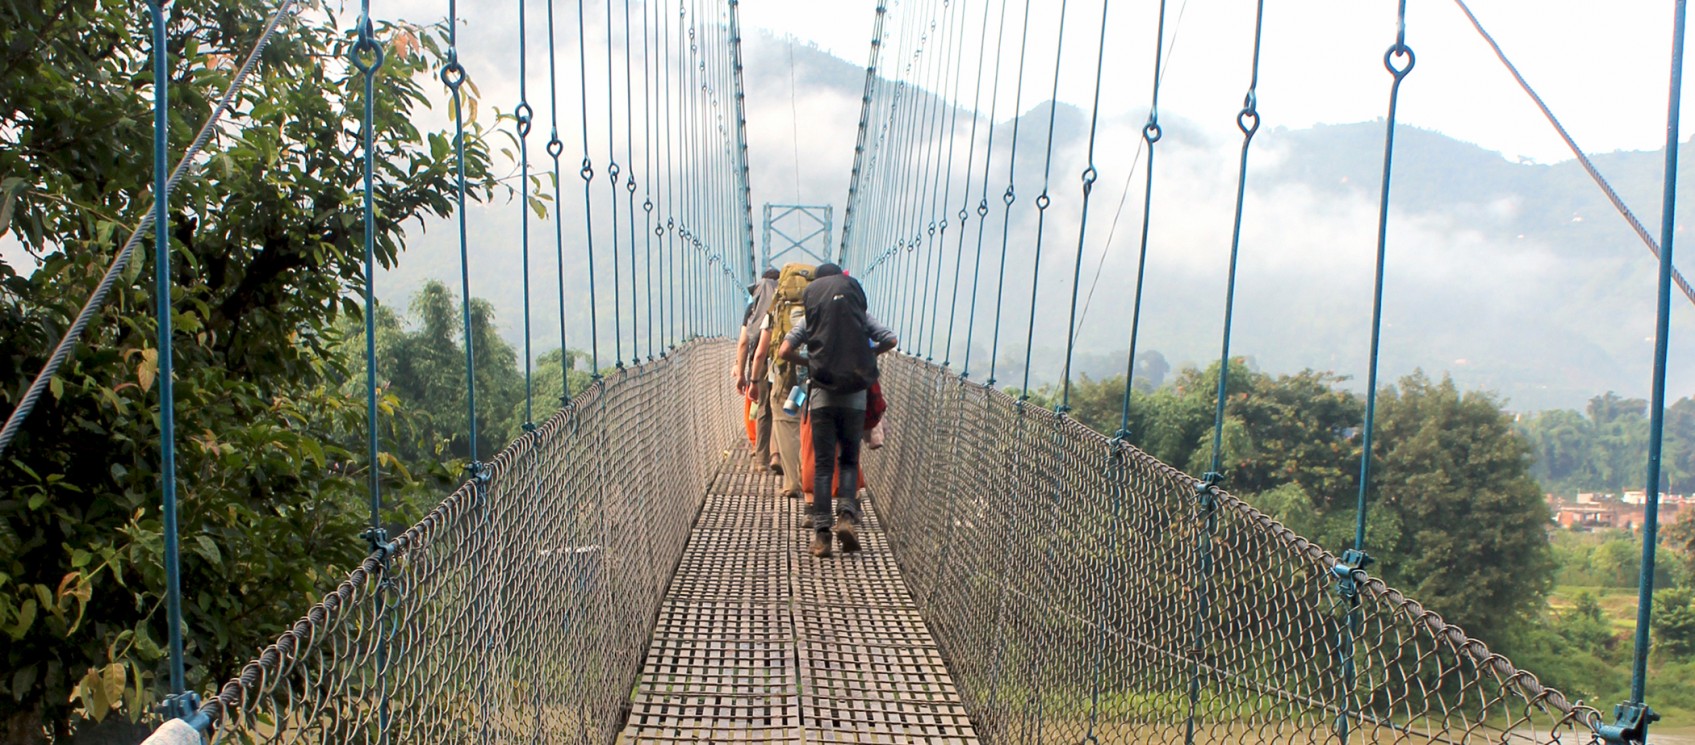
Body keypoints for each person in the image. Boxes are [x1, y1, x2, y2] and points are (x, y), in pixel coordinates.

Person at [778, 263, 897, 558]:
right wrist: (866, 356)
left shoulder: (812, 316)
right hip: (855, 398)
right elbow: (891, 339)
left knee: (822, 466)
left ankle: (822, 536)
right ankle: (846, 517)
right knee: (847, 460)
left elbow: (784, 351)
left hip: (821, 397)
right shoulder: (859, 314)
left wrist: (811, 362)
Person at [735, 268, 781, 470]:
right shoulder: (786, 303)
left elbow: (745, 342)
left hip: (761, 365)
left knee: (763, 407)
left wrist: (744, 374)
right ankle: (782, 456)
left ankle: (761, 458)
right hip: (789, 362)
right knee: (790, 406)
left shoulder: (754, 305)